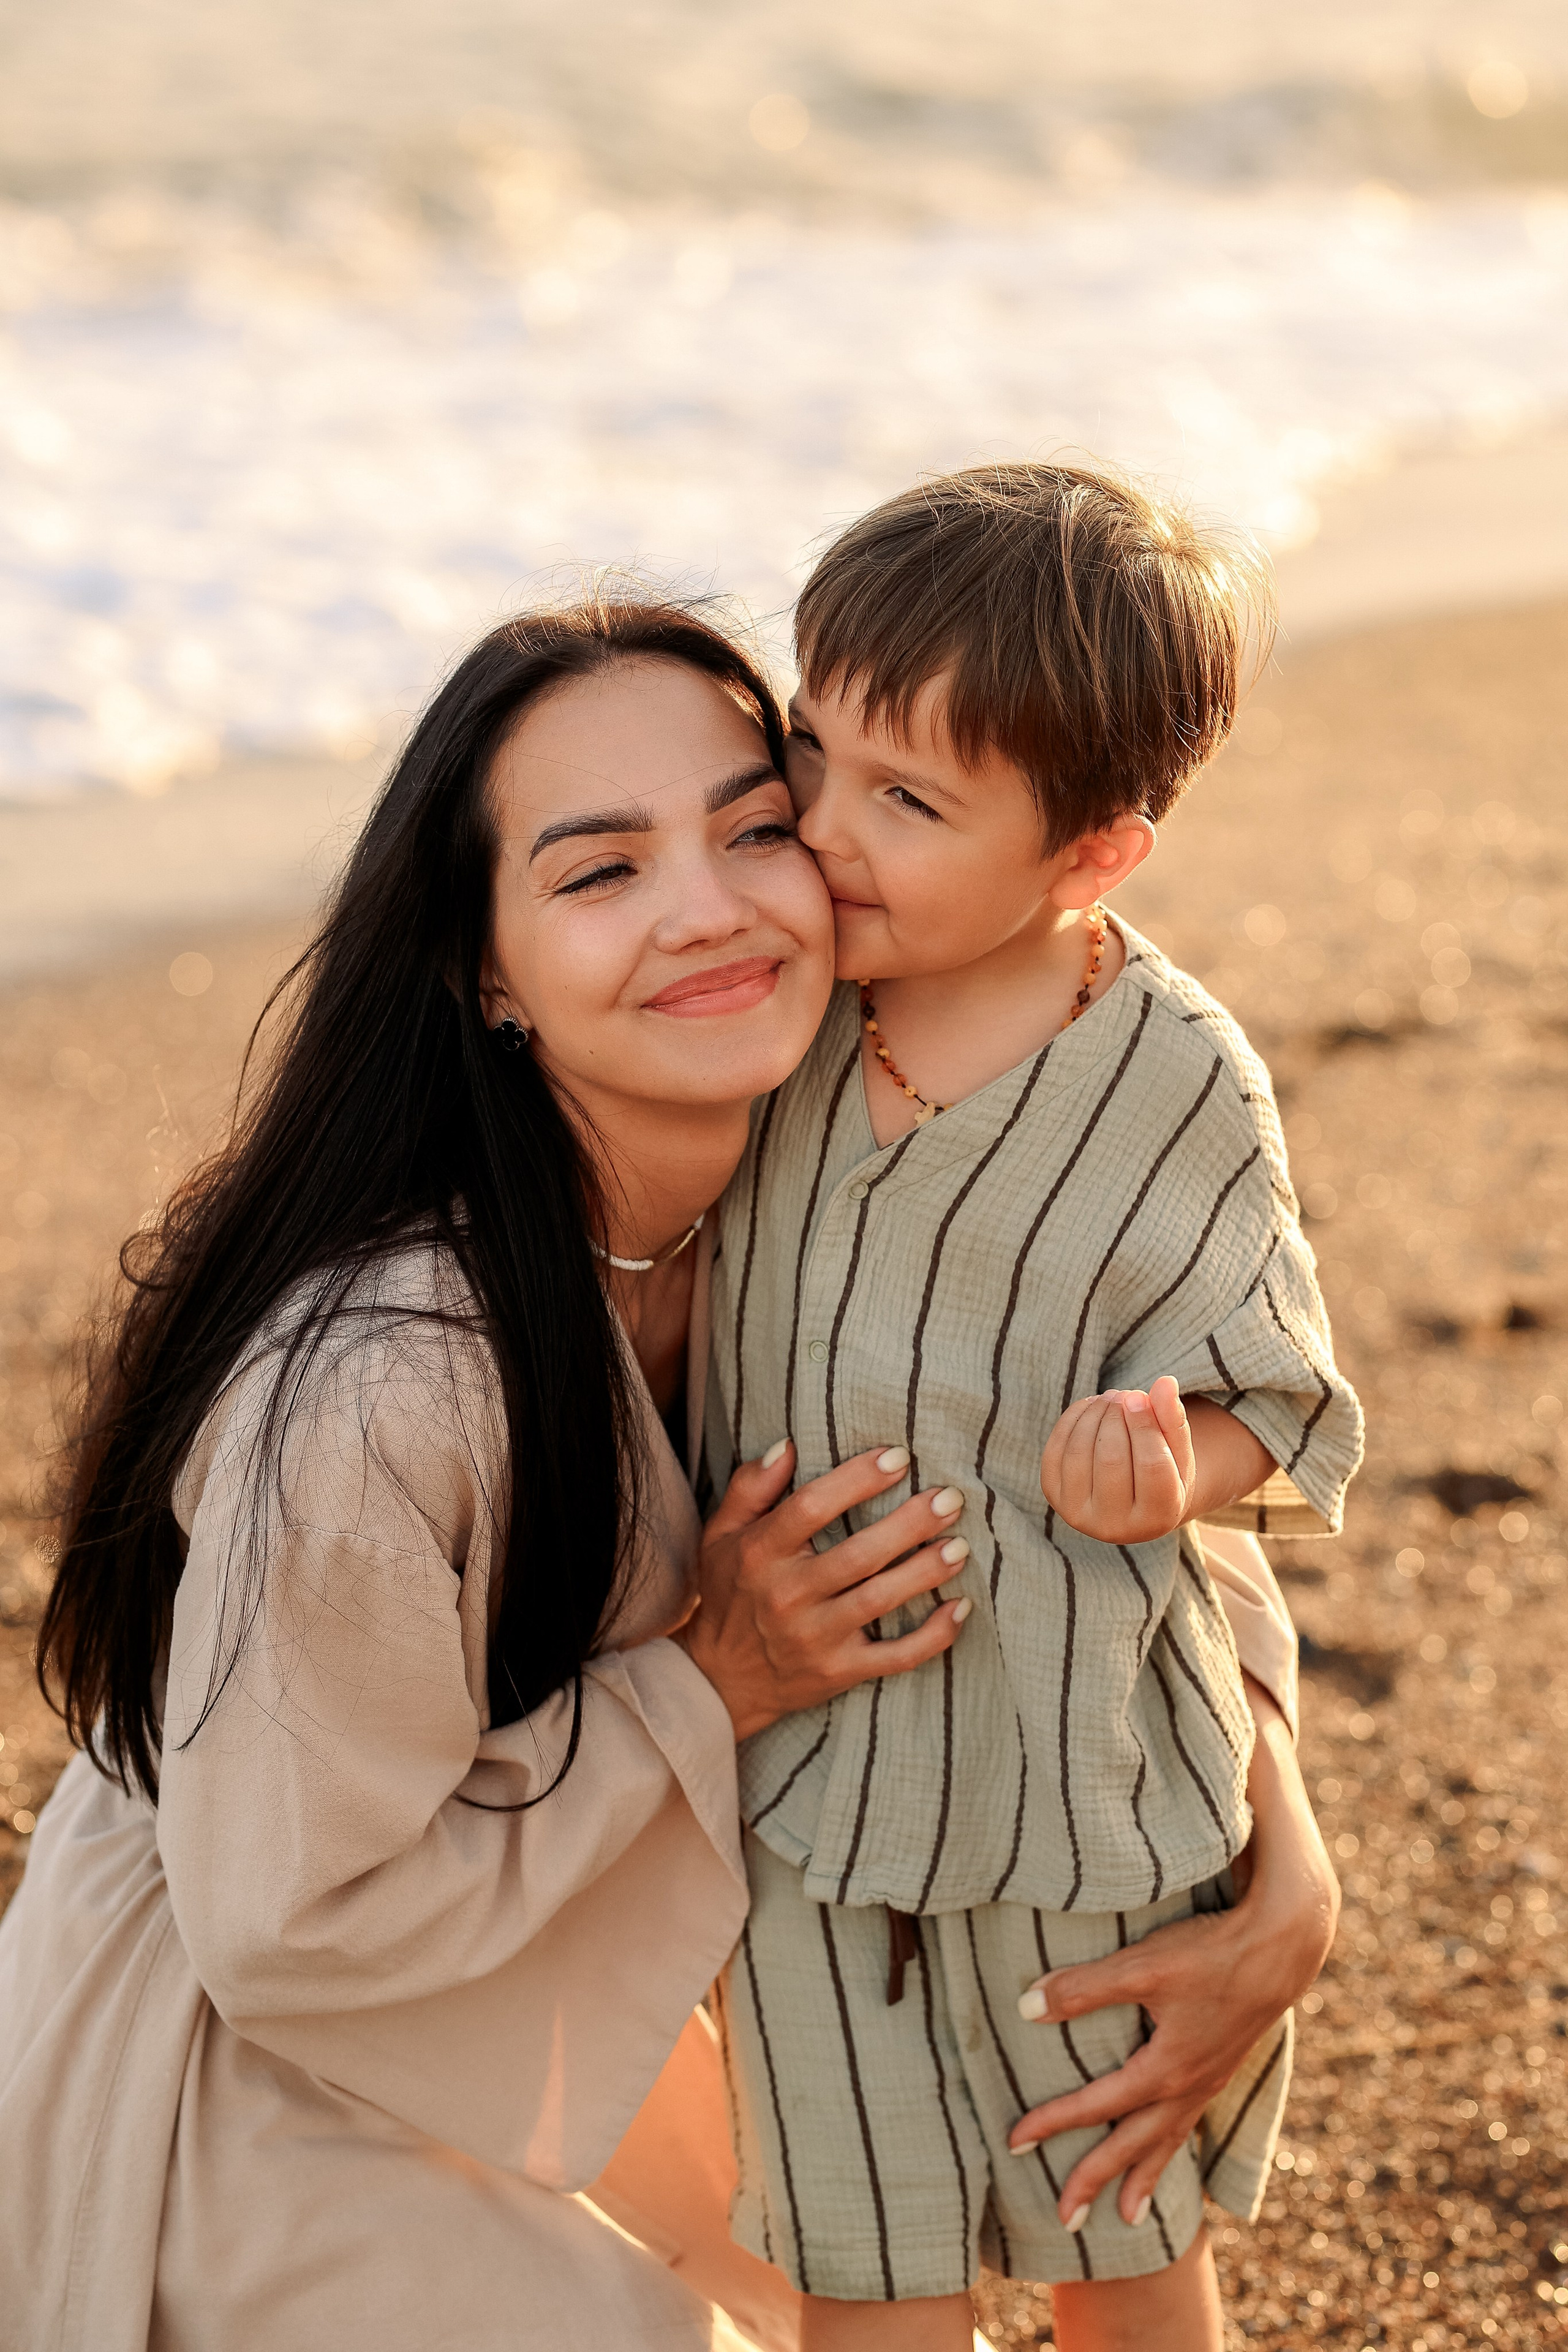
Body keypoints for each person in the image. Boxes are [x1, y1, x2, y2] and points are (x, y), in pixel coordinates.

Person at [0, 595, 973, 2352]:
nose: (707, 907)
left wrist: (1285, 1857)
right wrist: (712, 1677)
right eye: (600, 873)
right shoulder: (381, 1383)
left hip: (553, 1950)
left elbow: (1147, 1461)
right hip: (255, 2039)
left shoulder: (843, 1185)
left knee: (911, 2299)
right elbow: (287, 1929)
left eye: (756, 829)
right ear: (486, 971)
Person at [704, 465, 1363, 2350]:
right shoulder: (777, 1011)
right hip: (811, 1803)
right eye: (813, 750)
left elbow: (1278, 1399)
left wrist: (1171, 1471)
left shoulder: (1176, 1081)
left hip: (1096, 1790)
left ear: (1090, 858)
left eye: (908, 803)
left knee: (1123, 2250)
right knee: (867, 2279)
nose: (824, 831)